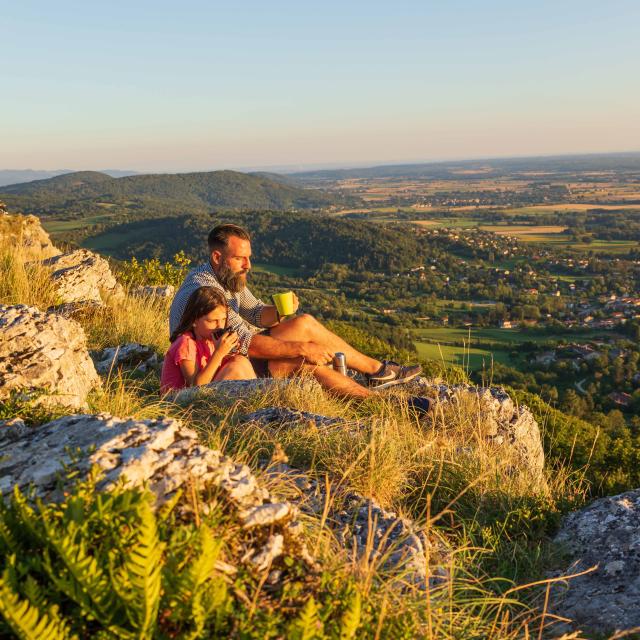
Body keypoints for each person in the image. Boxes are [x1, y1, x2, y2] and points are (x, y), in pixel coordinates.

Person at [169, 224, 430, 410]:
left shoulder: (226, 278)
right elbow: (243, 342)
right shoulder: (206, 292)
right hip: (226, 365)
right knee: (306, 362)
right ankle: (380, 398)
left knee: (302, 325)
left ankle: (379, 378)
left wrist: (280, 311)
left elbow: (257, 313)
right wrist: (303, 349)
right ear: (217, 257)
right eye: (240, 258)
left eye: (249, 258)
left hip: (230, 360)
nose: (248, 266)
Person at [160, 286, 256, 394]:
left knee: (240, 360)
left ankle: (256, 398)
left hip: (199, 397)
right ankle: (255, 399)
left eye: (223, 319)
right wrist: (219, 353)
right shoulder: (185, 343)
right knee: (235, 367)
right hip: (179, 403)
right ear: (194, 321)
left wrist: (229, 352)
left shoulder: (210, 340)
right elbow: (195, 387)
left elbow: (214, 372)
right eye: (213, 321)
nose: (220, 326)